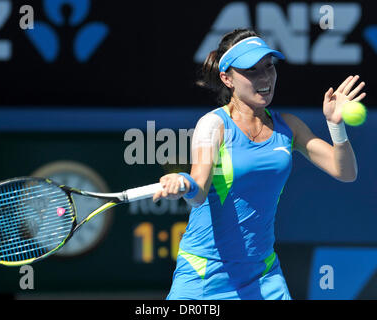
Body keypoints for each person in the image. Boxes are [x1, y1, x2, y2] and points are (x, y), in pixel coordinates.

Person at [152, 29, 365, 300]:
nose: (264, 78)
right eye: (251, 71)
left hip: (263, 275)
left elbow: (345, 172)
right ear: (227, 78)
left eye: (268, 67)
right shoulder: (214, 125)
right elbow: (199, 190)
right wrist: (183, 182)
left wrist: (336, 125)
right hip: (204, 273)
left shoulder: (289, 127)